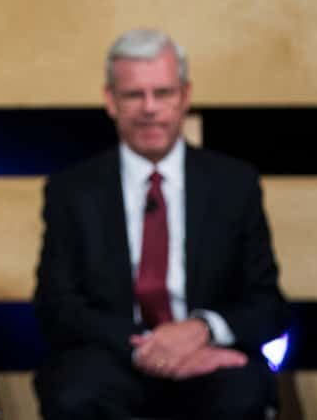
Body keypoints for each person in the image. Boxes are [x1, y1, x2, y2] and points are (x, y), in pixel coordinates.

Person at [34, 28, 290, 420]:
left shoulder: (235, 184)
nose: (149, 108)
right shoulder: (72, 189)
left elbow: (266, 304)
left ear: (185, 97)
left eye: (163, 93)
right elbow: (57, 307)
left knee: (244, 393)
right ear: (110, 100)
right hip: (113, 358)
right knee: (73, 393)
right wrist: (150, 346)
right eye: (134, 95)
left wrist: (203, 330)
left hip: (206, 359)